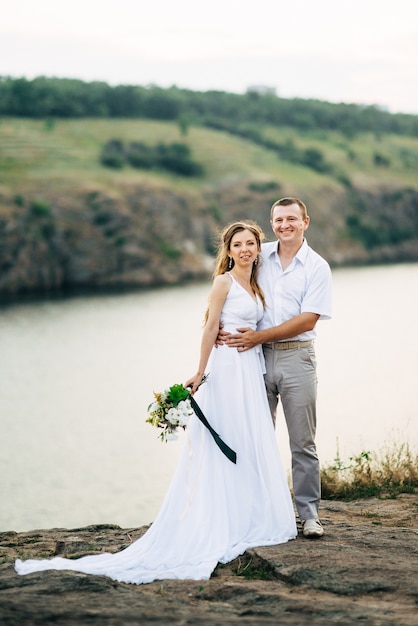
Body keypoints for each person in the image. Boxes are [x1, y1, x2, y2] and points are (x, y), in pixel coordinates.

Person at [15, 221, 297, 584]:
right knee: (225, 439)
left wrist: (256, 339)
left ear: (259, 248)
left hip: (249, 370)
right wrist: (199, 371)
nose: (245, 249)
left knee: (249, 439)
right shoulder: (223, 282)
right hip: (226, 370)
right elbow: (211, 328)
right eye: (238, 244)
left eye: (251, 243)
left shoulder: (256, 284)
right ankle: (221, 520)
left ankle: (250, 513)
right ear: (228, 251)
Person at [222, 198, 332, 539]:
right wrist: (216, 331)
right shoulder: (258, 255)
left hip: (297, 358)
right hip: (253, 359)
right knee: (255, 436)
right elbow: (225, 286)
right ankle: (257, 511)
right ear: (272, 224)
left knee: (302, 441)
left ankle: (309, 515)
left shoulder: (317, 267)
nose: (285, 225)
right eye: (278, 219)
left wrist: (258, 336)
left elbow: (308, 319)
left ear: (305, 222)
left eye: (291, 219)